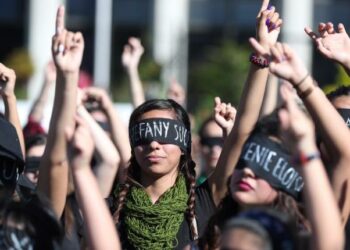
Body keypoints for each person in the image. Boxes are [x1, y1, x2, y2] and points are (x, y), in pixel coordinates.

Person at [197, 97, 236, 184]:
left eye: (220, 141)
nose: (214, 149)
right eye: (209, 142)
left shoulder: (237, 189)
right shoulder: (190, 188)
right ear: (200, 145)